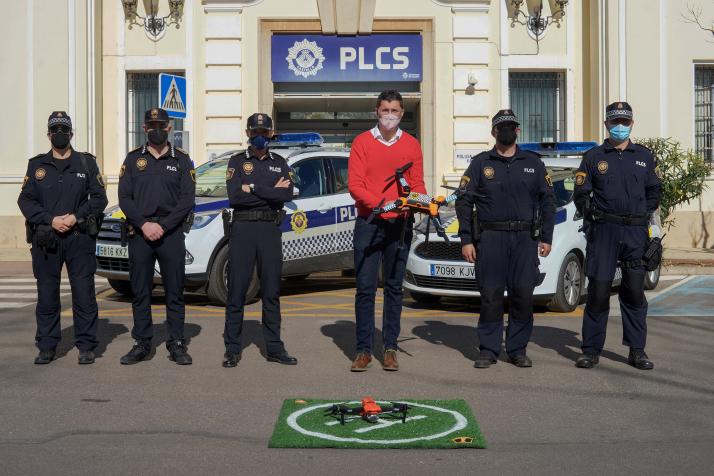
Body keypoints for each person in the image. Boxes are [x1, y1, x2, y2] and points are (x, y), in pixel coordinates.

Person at [455, 109, 555, 369]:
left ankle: (517, 350)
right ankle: (488, 350)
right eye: (502, 127)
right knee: (490, 295)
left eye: (511, 126)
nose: (507, 131)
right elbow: (463, 201)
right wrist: (466, 239)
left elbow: (548, 202)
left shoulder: (534, 163)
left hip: (524, 239)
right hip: (491, 239)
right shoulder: (480, 163)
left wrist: (547, 237)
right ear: (494, 132)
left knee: (523, 294)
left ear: (518, 130)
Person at [573, 102, 662, 370]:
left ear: (632, 124)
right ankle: (590, 350)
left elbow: (655, 191)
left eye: (624, 122)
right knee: (599, 292)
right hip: (604, 233)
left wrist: (646, 218)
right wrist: (591, 217)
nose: (619, 127)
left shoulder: (645, 157)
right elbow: (580, 194)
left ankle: (637, 350)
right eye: (615, 123)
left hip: (635, 232)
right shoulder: (593, 157)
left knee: (634, 292)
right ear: (606, 125)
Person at [18, 111, 108, 365]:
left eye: (64, 130)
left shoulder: (86, 163)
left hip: (78, 238)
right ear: (48, 134)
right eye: (55, 130)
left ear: (71, 134)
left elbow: (100, 198)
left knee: (84, 293)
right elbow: (25, 199)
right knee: (47, 295)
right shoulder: (37, 165)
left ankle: (87, 345)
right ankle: (47, 346)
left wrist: (76, 217)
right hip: (46, 238)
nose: (59, 134)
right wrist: (50, 219)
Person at [347, 90, 426, 372]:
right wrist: (382, 205)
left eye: (394, 111)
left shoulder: (412, 145)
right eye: (384, 110)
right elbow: (355, 185)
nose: (389, 116)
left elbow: (417, 183)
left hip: (400, 225)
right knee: (365, 289)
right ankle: (363, 350)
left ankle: (390, 347)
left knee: (393, 289)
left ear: (402, 113)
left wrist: (423, 202)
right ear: (376, 112)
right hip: (369, 223)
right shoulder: (362, 143)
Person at [117, 108, 196, 365]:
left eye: (161, 124)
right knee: (141, 291)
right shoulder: (132, 160)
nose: (157, 129)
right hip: (140, 234)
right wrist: (143, 224)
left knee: (175, 291)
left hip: (170, 234)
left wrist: (164, 226)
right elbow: (124, 198)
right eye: (152, 125)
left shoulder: (182, 161)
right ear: (144, 128)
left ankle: (177, 343)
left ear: (170, 127)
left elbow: (187, 200)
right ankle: (142, 342)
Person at [222, 113, 297, 368]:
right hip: (243, 228)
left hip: (269, 229)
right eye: (255, 132)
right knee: (237, 290)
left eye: (264, 133)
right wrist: (269, 192)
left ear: (271, 133)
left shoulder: (280, 162)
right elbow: (234, 196)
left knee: (271, 290)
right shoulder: (237, 161)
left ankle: (274, 347)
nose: (260, 137)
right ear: (247, 133)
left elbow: (285, 194)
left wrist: (252, 188)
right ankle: (232, 349)